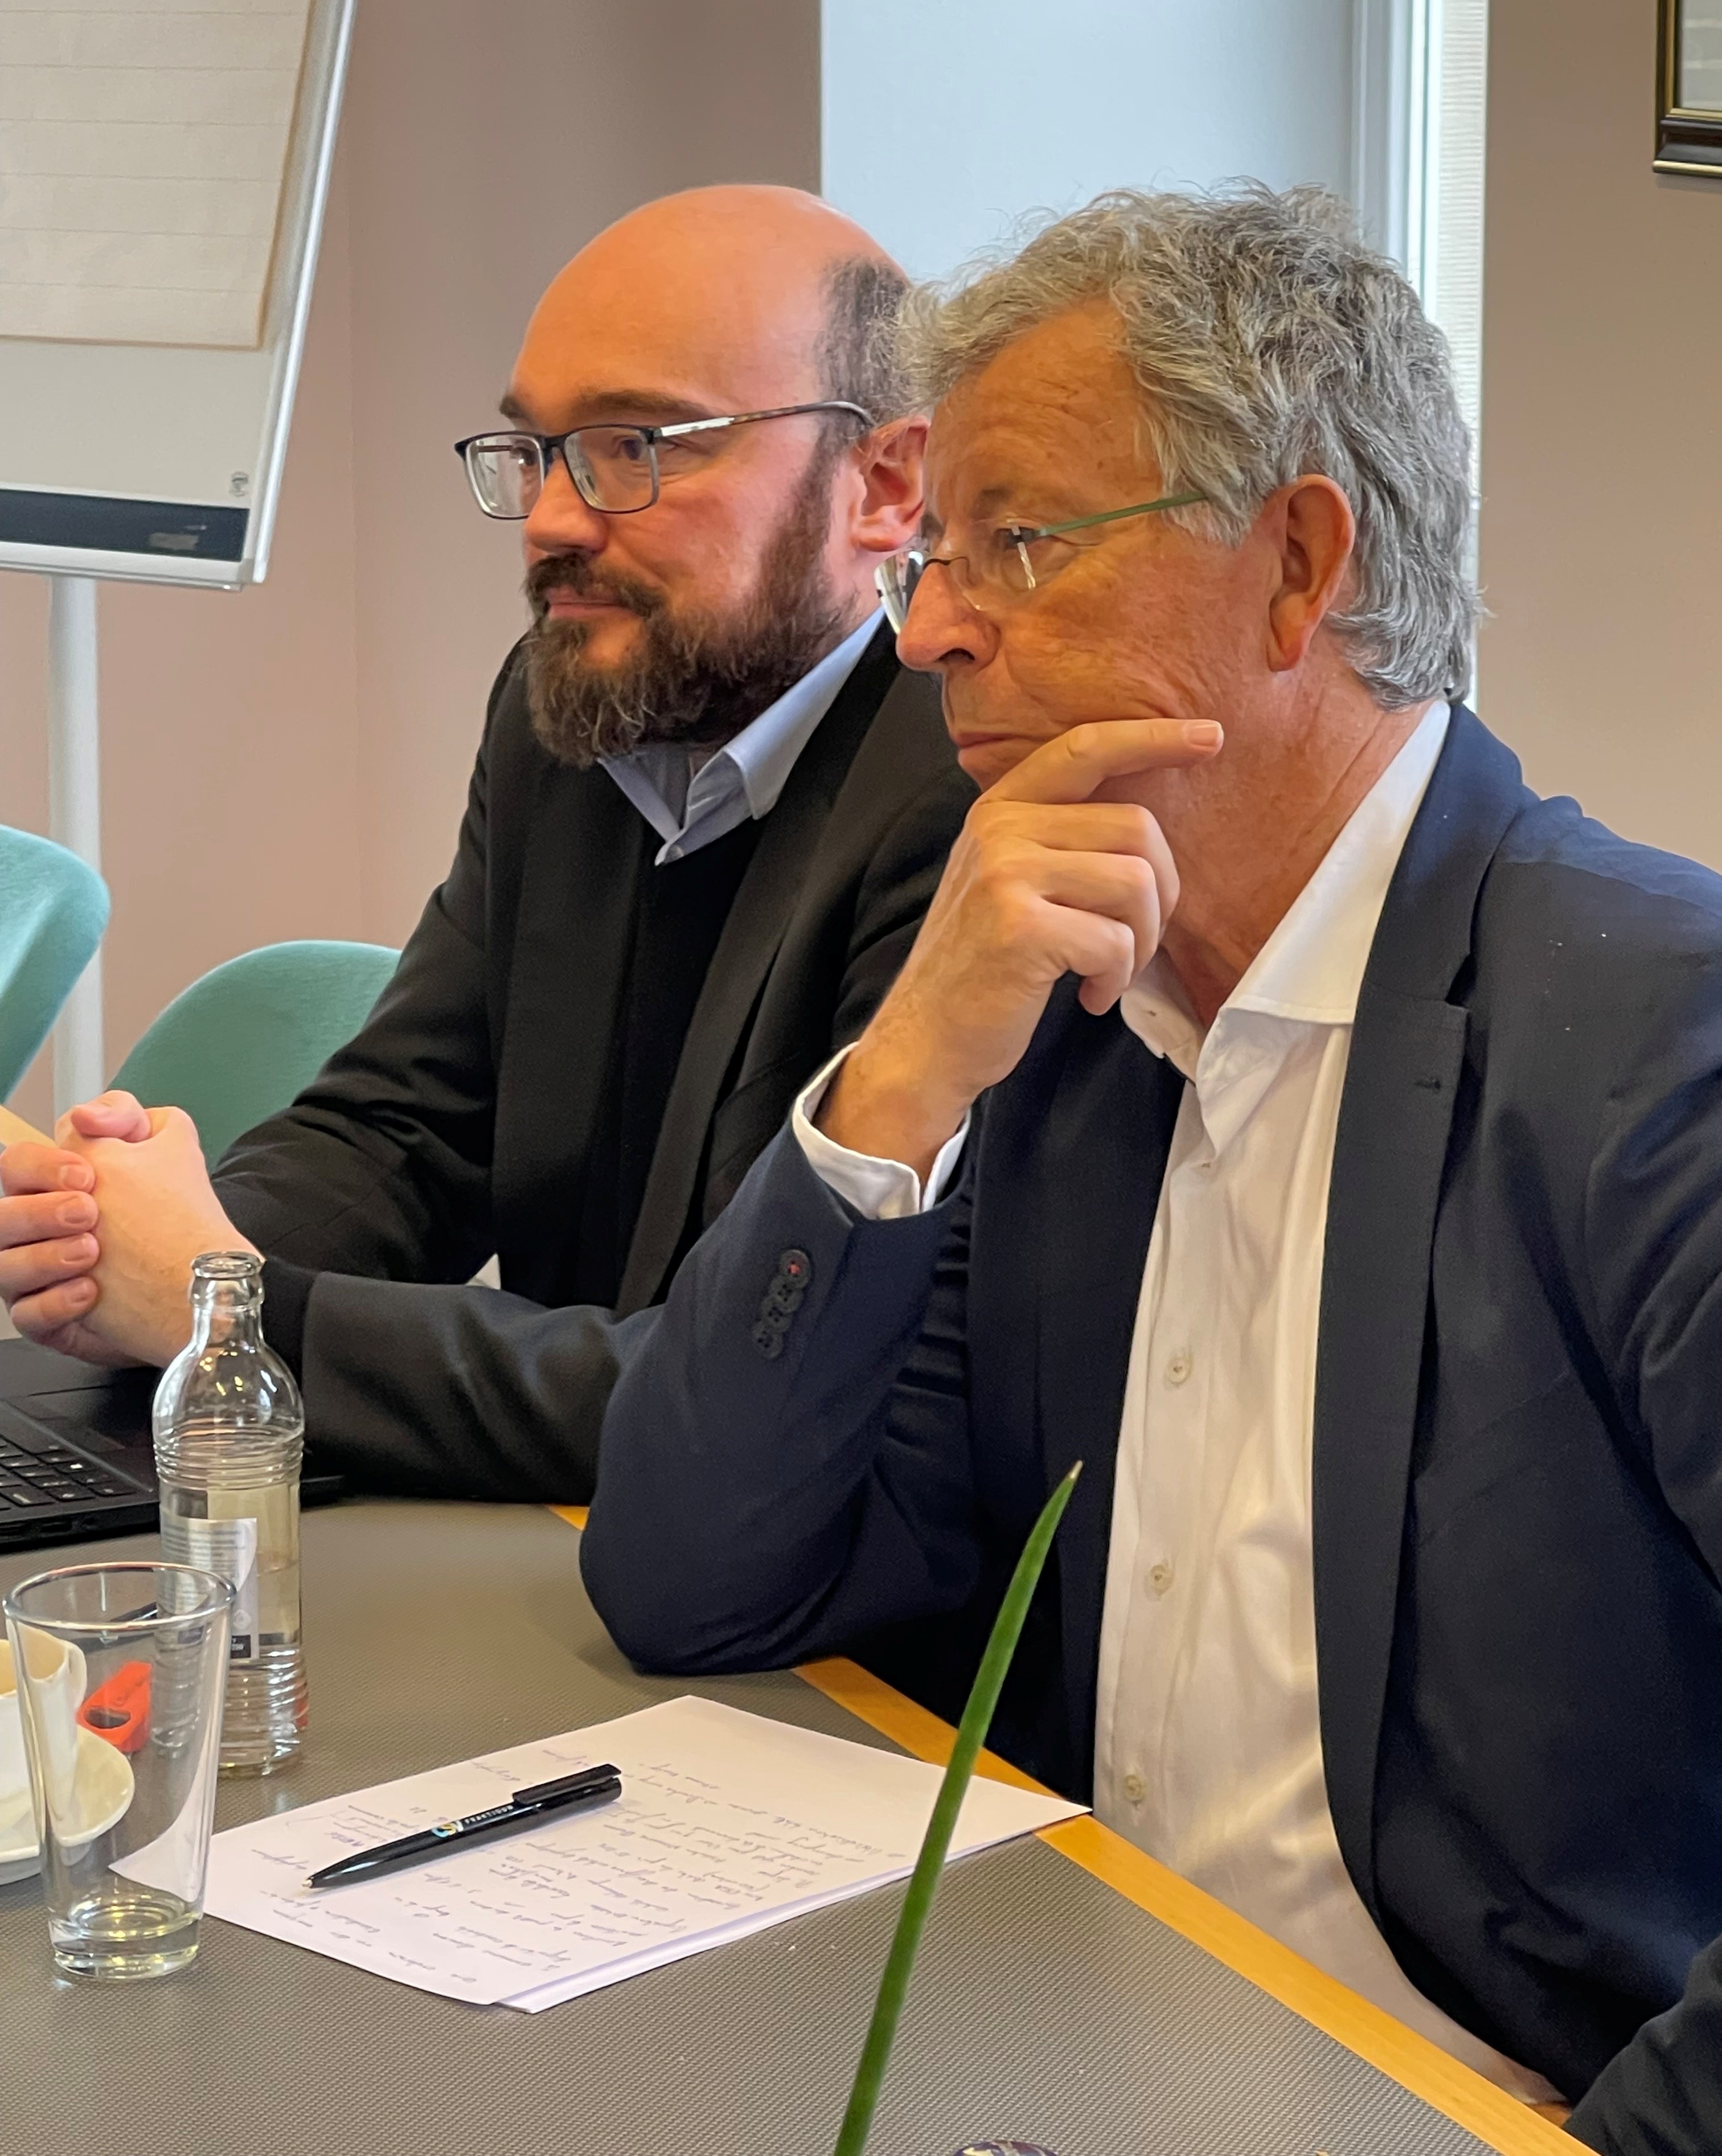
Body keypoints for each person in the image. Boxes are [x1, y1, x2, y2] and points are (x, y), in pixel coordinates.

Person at [578, 189, 1722, 2148]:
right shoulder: (1060, 1022)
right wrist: (900, 1080)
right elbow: (689, 1578)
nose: (929, 627)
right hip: (1068, 2042)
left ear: (1296, 570)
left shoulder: (1650, 1036)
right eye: (934, 557)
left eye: (1017, 543)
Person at [0, 184, 972, 1502]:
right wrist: (128, 1247)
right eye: (539, 450)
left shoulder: (967, 804)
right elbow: (408, 1131)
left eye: (635, 445)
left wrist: (222, 1311)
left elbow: (743, 1385)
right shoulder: (567, 707)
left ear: (886, 484)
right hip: (555, 1529)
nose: (555, 518)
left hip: (767, 1580)